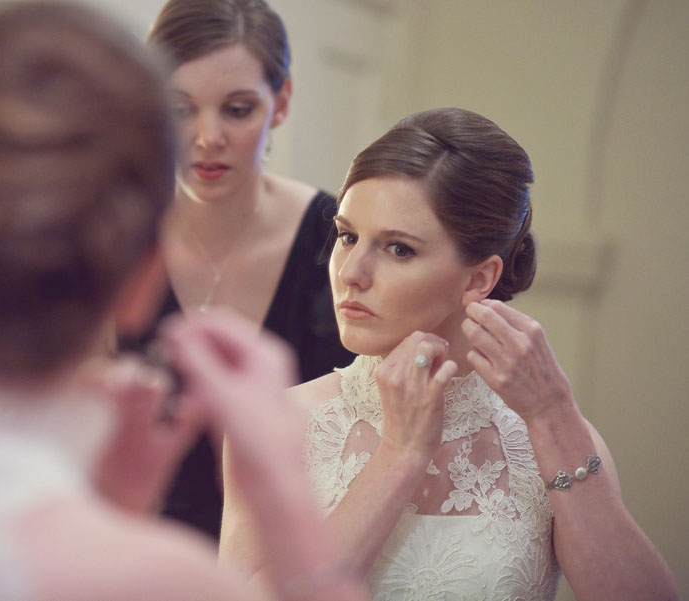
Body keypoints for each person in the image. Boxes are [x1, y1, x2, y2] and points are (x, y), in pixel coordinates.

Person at [0, 4, 371, 601]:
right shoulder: (166, 582)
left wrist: (117, 508)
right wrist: (279, 484)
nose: (208, 135)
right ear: (144, 279)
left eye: (236, 107)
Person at [220, 107, 680, 600]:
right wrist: (400, 454)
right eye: (349, 236)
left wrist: (553, 417)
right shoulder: (273, 424)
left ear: (479, 279)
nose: (351, 271)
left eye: (398, 249)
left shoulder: (548, 437)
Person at [126, 0, 355, 540]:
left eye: (236, 109)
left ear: (281, 102)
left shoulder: (337, 235)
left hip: (292, 557)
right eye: (181, 109)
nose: (208, 137)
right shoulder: (119, 239)